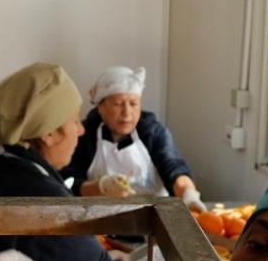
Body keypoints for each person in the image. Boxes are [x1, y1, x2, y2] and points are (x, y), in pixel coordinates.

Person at [0, 63, 136, 261]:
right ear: (48, 133)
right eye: (75, 121)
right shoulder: (39, 196)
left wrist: (97, 257)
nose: (81, 130)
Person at [61, 66, 205, 211]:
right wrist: (102, 187)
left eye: (133, 104)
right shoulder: (84, 133)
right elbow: (70, 182)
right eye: (118, 104)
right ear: (101, 107)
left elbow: (174, 168)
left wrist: (188, 193)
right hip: (100, 220)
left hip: (153, 218)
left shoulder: (153, 131)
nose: (127, 113)